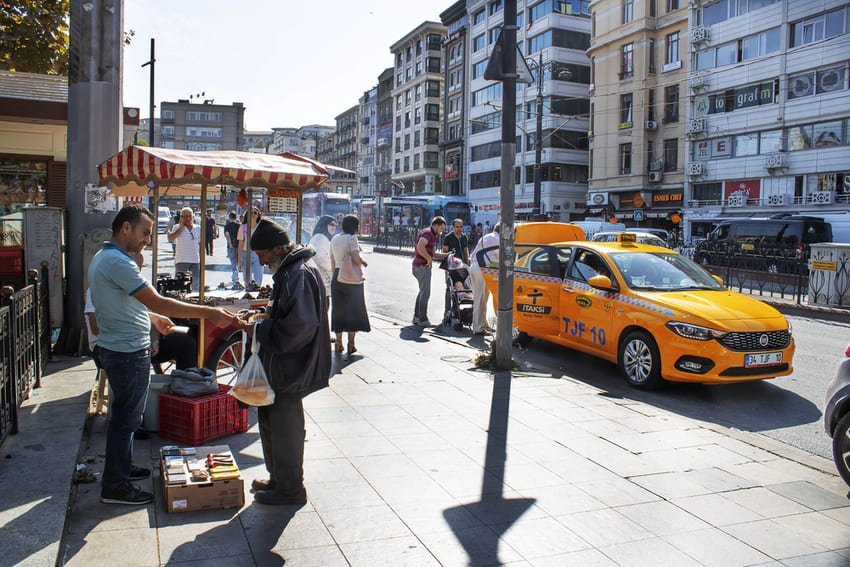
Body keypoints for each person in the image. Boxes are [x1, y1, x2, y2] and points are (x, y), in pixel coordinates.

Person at [89, 204, 235, 505]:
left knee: (126, 417)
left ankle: (122, 469)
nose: (147, 240)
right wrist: (208, 312)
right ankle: (115, 485)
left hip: (120, 347)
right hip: (126, 351)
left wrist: (152, 318)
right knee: (126, 419)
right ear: (125, 228)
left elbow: (127, 302)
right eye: (145, 233)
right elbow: (160, 300)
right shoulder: (117, 262)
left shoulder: (105, 257)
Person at [238, 218, 331, 506]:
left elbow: (299, 327)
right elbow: (289, 313)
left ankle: (290, 489)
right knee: (271, 422)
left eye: (262, 254)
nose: (261, 260)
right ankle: (278, 478)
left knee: (285, 427)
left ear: (277, 249)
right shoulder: (290, 270)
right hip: (282, 365)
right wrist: (266, 315)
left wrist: (260, 328)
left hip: (292, 366)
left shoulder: (298, 273)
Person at [330, 214, 370, 354]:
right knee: (354, 310)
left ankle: (338, 342)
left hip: (337, 276)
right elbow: (355, 257)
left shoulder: (335, 239)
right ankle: (351, 344)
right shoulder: (351, 238)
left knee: (338, 310)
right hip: (351, 278)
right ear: (354, 226)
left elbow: (333, 261)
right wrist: (363, 262)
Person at [411, 216, 447, 327]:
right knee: (425, 294)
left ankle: (417, 318)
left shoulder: (431, 234)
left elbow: (433, 254)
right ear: (435, 225)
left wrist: (447, 255)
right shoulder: (428, 233)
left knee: (422, 292)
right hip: (422, 267)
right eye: (441, 228)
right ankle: (423, 319)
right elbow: (420, 247)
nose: (442, 231)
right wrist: (428, 258)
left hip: (420, 266)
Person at [469, 223, 500, 335]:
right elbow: (500, 260)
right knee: (480, 298)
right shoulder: (499, 240)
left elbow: (473, 255)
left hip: (475, 267)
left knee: (482, 298)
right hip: (483, 270)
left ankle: (483, 323)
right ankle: (477, 327)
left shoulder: (486, 237)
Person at [167, 207, 202, 292]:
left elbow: (200, 244)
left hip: (195, 260)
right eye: (185, 216)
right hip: (181, 260)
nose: (188, 218)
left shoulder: (198, 228)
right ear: (181, 217)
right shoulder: (176, 227)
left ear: (193, 217)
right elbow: (171, 239)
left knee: (196, 284)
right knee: (180, 285)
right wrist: (181, 228)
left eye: (189, 216)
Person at [308, 215, 335, 298]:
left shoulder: (321, 237)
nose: (334, 227)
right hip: (321, 278)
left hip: (320, 278)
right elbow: (321, 259)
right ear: (324, 225)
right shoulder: (320, 238)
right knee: (323, 305)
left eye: (335, 225)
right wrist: (332, 268)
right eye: (331, 224)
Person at [237, 207, 264, 288]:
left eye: (255, 213)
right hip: (246, 253)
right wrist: (239, 260)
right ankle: (248, 292)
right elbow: (240, 244)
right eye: (250, 213)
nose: (253, 215)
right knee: (247, 277)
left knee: (258, 276)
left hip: (258, 254)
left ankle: (257, 292)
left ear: (258, 215)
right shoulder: (243, 227)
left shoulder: (261, 227)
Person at [223, 212, 241, 285]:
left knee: (233, 262)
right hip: (238, 245)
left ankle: (235, 277)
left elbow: (227, 235)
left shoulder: (227, 226)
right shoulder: (239, 225)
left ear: (229, 218)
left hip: (231, 246)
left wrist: (230, 244)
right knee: (237, 261)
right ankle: (236, 276)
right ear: (235, 217)